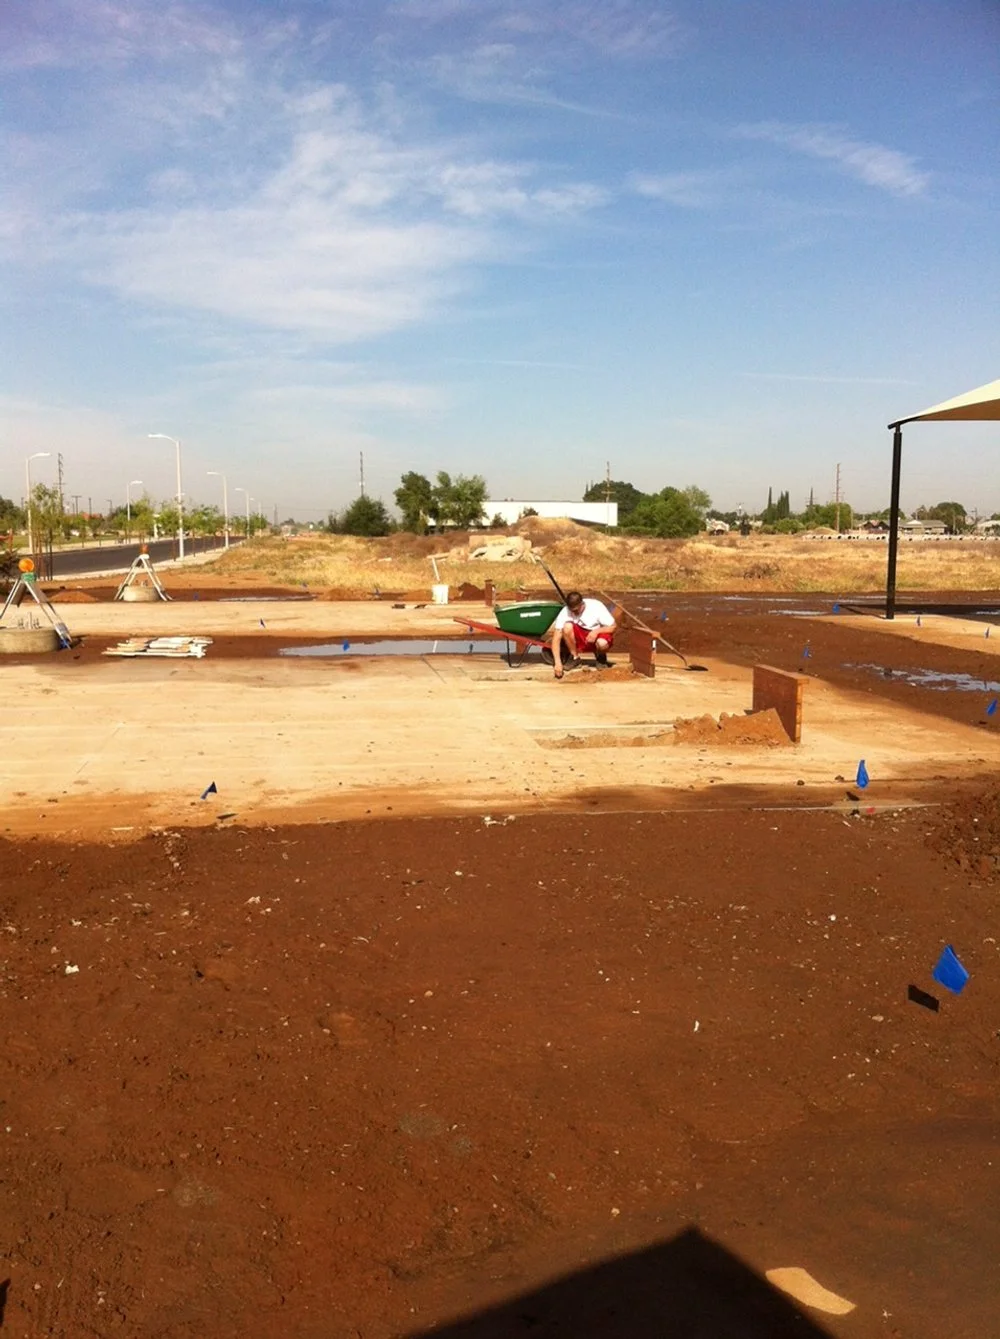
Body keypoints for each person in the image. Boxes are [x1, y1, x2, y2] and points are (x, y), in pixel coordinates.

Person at [551, 590, 616, 679]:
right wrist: (557, 663)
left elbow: (613, 627)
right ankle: (575, 658)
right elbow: (556, 638)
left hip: (596, 636)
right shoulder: (565, 611)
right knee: (567, 626)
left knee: (602, 643)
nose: (574, 613)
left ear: (582, 604)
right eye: (572, 610)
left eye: (577, 610)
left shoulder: (596, 606)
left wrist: (596, 632)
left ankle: (601, 658)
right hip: (581, 638)